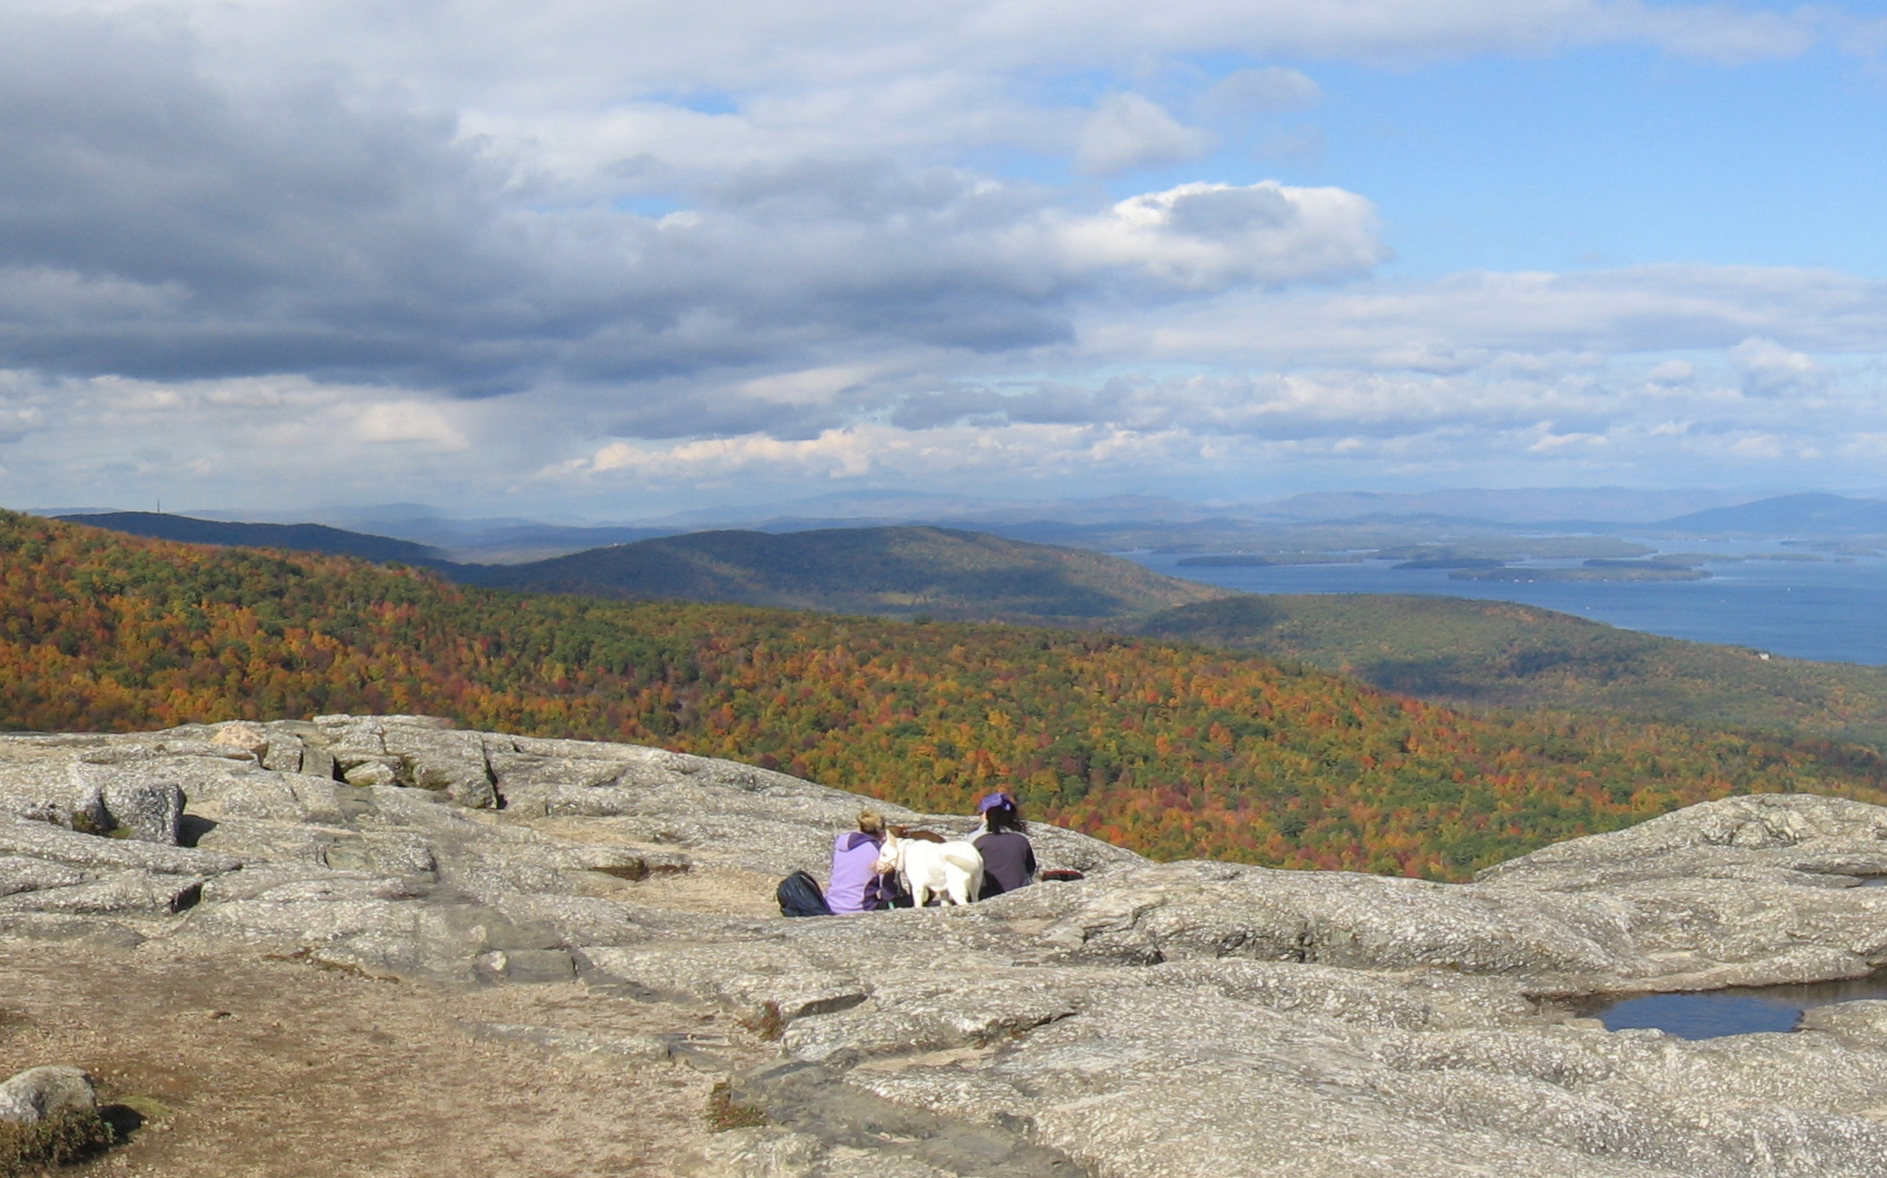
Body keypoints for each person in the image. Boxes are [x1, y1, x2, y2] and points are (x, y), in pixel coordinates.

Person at [827, 809, 896, 914]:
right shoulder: (878, 851)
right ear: (881, 830)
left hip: (831, 904)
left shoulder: (840, 846)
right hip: (859, 908)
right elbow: (887, 893)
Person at [971, 791, 1036, 899]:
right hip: (1021, 896)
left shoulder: (977, 839)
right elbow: (1030, 869)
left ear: (986, 815)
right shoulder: (1021, 839)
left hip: (985, 897)